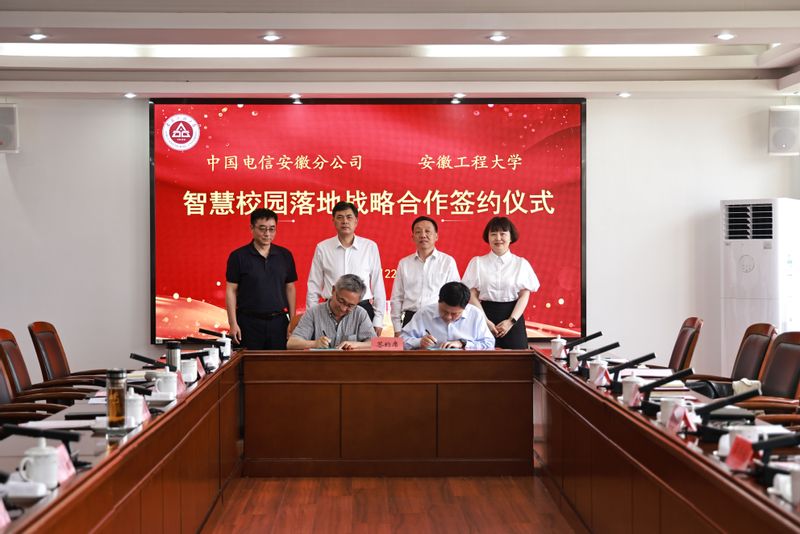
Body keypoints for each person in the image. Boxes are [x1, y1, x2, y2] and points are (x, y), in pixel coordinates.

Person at [306, 201, 386, 335]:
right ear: (333, 221)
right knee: (329, 347)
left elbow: (378, 284)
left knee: (363, 347)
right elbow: (313, 286)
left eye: (349, 217)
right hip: (331, 309)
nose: (345, 221)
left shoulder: (369, 247)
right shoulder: (323, 248)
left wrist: (378, 319)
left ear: (356, 221)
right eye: (340, 217)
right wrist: (312, 317)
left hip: (362, 309)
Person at [462, 217, 540, 350]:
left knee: (518, 359)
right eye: (493, 234)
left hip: (513, 316)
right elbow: (472, 294)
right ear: (488, 238)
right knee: (481, 358)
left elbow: (524, 295)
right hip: (484, 314)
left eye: (503, 233)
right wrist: (485, 321)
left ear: (511, 237)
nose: (498, 238)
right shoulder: (477, 262)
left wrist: (510, 322)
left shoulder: (521, 264)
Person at [225, 208, 297, 350]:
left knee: (278, 362)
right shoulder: (238, 256)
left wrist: (292, 321)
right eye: (262, 229)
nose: (267, 234)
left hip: (278, 323)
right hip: (248, 322)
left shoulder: (285, 255)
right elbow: (231, 290)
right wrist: (233, 323)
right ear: (252, 228)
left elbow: (290, 288)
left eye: (272, 229)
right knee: (249, 362)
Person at [390, 216, 460, 336]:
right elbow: (397, 297)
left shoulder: (447, 262)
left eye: (427, 231)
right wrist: (397, 329)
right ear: (413, 237)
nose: (423, 235)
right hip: (411, 319)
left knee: (438, 349)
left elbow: (455, 296)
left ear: (436, 236)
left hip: (439, 319)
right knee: (410, 348)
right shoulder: (404, 263)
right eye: (418, 232)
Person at [288, 274, 376, 350]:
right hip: (320, 363)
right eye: (341, 301)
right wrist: (314, 343)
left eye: (350, 305)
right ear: (333, 290)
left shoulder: (360, 314)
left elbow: (377, 344)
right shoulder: (314, 312)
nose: (343, 308)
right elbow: (291, 343)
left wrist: (356, 345)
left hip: (351, 363)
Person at [400, 281, 495, 350]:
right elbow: (401, 341)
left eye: (455, 314)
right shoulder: (424, 313)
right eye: (444, 311)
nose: (448, 317)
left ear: (465, 307)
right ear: (438, 301)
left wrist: (463, 343)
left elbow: (489, 343)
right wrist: (419, 342)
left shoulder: (475, 314)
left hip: (466, 365)